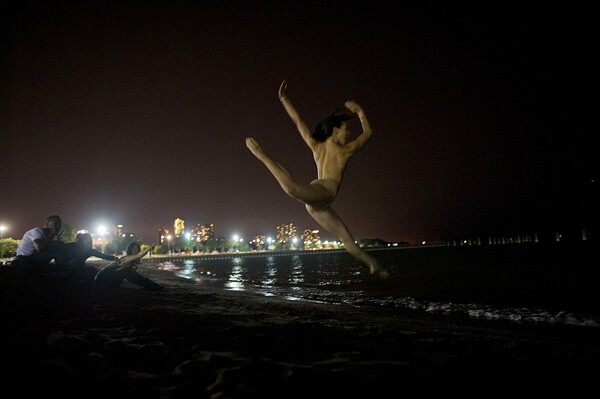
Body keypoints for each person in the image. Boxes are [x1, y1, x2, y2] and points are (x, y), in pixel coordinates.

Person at [246, 80, 389, 278]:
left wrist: (284, 99)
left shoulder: (318, 146)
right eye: (345, 129)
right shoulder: (343, 151)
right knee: (291, 189)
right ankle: (261, 154)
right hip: (323, 193)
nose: (348, 133)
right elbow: (368, 132)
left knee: (346, 240)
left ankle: (373, 264)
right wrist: (360, 111)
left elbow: (298, 122)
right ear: (335, 129)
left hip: (317, 204)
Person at [94, 241, 162, 291]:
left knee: (129, 272)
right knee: (127, 272)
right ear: (130, 250)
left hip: (108, 281)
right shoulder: (125, 259)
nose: (136, 251)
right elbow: (138, 256)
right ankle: (152, 286)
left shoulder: (129, 261)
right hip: (102, 281)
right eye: (134, 249)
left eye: (137, 249)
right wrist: (149, 249)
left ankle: (152, 286)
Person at [54, 232, 119, 282]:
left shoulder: (89, 251)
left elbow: (103, 256)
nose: (89, 244)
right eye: (87, 242)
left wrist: (115, 258)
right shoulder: (71, 246)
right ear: (81, 242)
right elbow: (59, 250)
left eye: (90, 242)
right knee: (76, 262)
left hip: (79, 269)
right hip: (67, 267)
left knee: (93, 269)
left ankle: (81, 281)